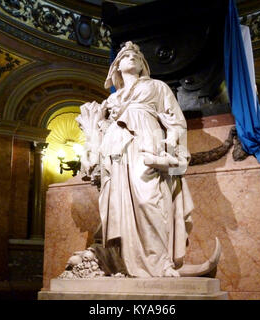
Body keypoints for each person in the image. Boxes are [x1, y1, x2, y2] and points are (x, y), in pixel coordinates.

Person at [76, 41, 195, 277]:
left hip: (146, 146)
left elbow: (175, 120)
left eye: (136, 56)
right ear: (116, 66)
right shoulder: (111, 101)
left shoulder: (157, 87)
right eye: (125, 56)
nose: (131, 57)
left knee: (149, 201)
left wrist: (171, 145)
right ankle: (127, 265)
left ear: (143, 65)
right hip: (116, 154)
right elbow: (100, 129)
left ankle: (161, 264)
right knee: (119, 207)